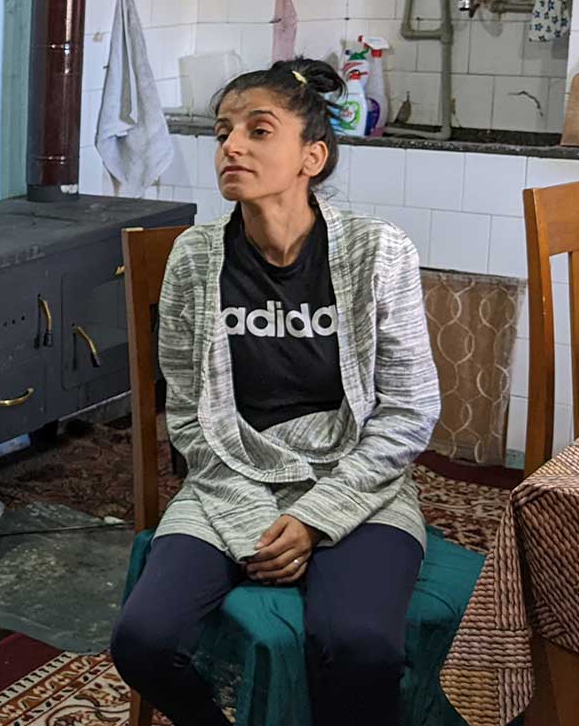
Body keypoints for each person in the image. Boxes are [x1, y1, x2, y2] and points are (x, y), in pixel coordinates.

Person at [108, 58, 440, 726]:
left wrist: (317, 518)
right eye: (224, 131)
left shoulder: (381, 252)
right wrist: (253, 522)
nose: (231, 145)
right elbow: (190, 419)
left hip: (352, 476)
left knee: (359, 645)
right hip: (230, 474)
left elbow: (409, 411)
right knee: (142, 642)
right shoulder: (197, 258)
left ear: (311, 156)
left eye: (259, 131)